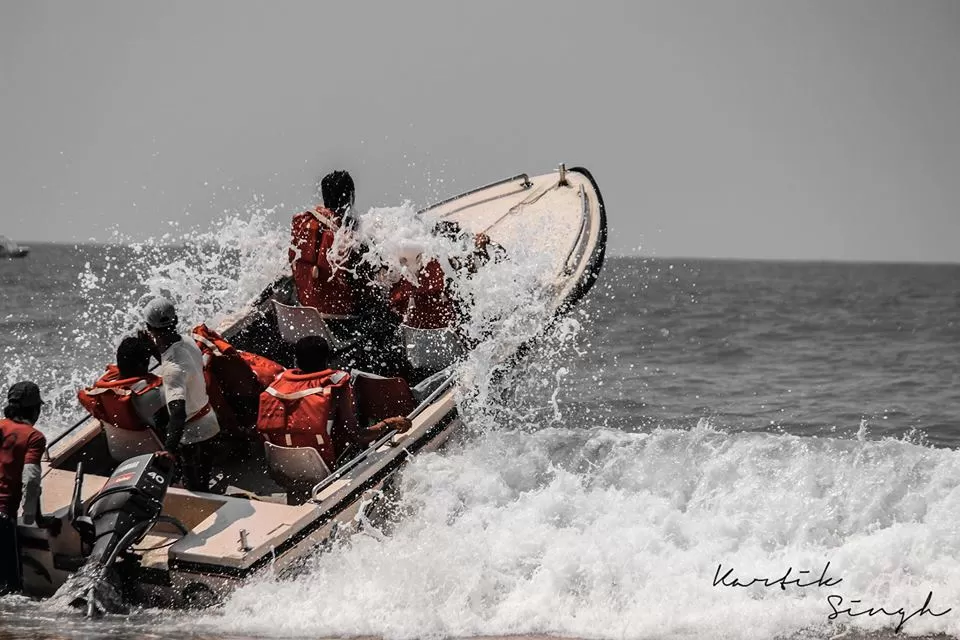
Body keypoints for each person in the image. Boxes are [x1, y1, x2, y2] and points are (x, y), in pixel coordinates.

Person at [257, 336, 411, 470]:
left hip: (282, 468)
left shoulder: (275, 386)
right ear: (327, 359)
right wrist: (389, 423)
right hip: (324, 465)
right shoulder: (335, 387)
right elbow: (359, 435)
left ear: (296, 360)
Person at [141, 297, 220, 492]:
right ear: (175, 321)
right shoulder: (187, 341)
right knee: (204, 477)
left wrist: (168, 449)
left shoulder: (171, 370)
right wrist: (152, 348)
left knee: (195, 488)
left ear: (149, 328)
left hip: (193, 435)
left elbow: (177, 413)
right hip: (210, 421)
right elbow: (170, 353)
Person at [0, 382, 60, 595]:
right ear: (35, 409)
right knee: (10, 591)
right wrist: (33, 517)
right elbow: (32, 480)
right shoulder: (34, 437)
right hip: (2, 516)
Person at [289, 170, 361, 314]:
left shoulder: (303, 222)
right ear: (351, 196)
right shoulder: (345, 233)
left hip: (306, 306)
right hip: (336, 313)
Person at [78, 336, 168, 434]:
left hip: (127, 438)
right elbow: (183, 376)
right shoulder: (147, 394)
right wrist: (158, 354)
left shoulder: (105, 383)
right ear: (142, 365)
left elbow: (83, 397)